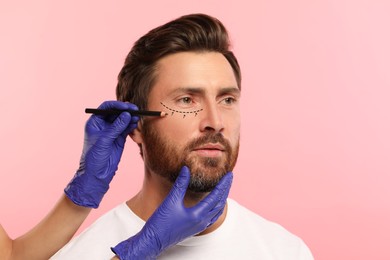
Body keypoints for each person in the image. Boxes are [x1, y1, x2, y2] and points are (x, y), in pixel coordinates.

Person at [52, 13, 314, 259]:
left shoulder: (286, 251)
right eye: (187, 100)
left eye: (227, 99)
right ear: (136, 124)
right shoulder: (83, 253)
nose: (215, 122)